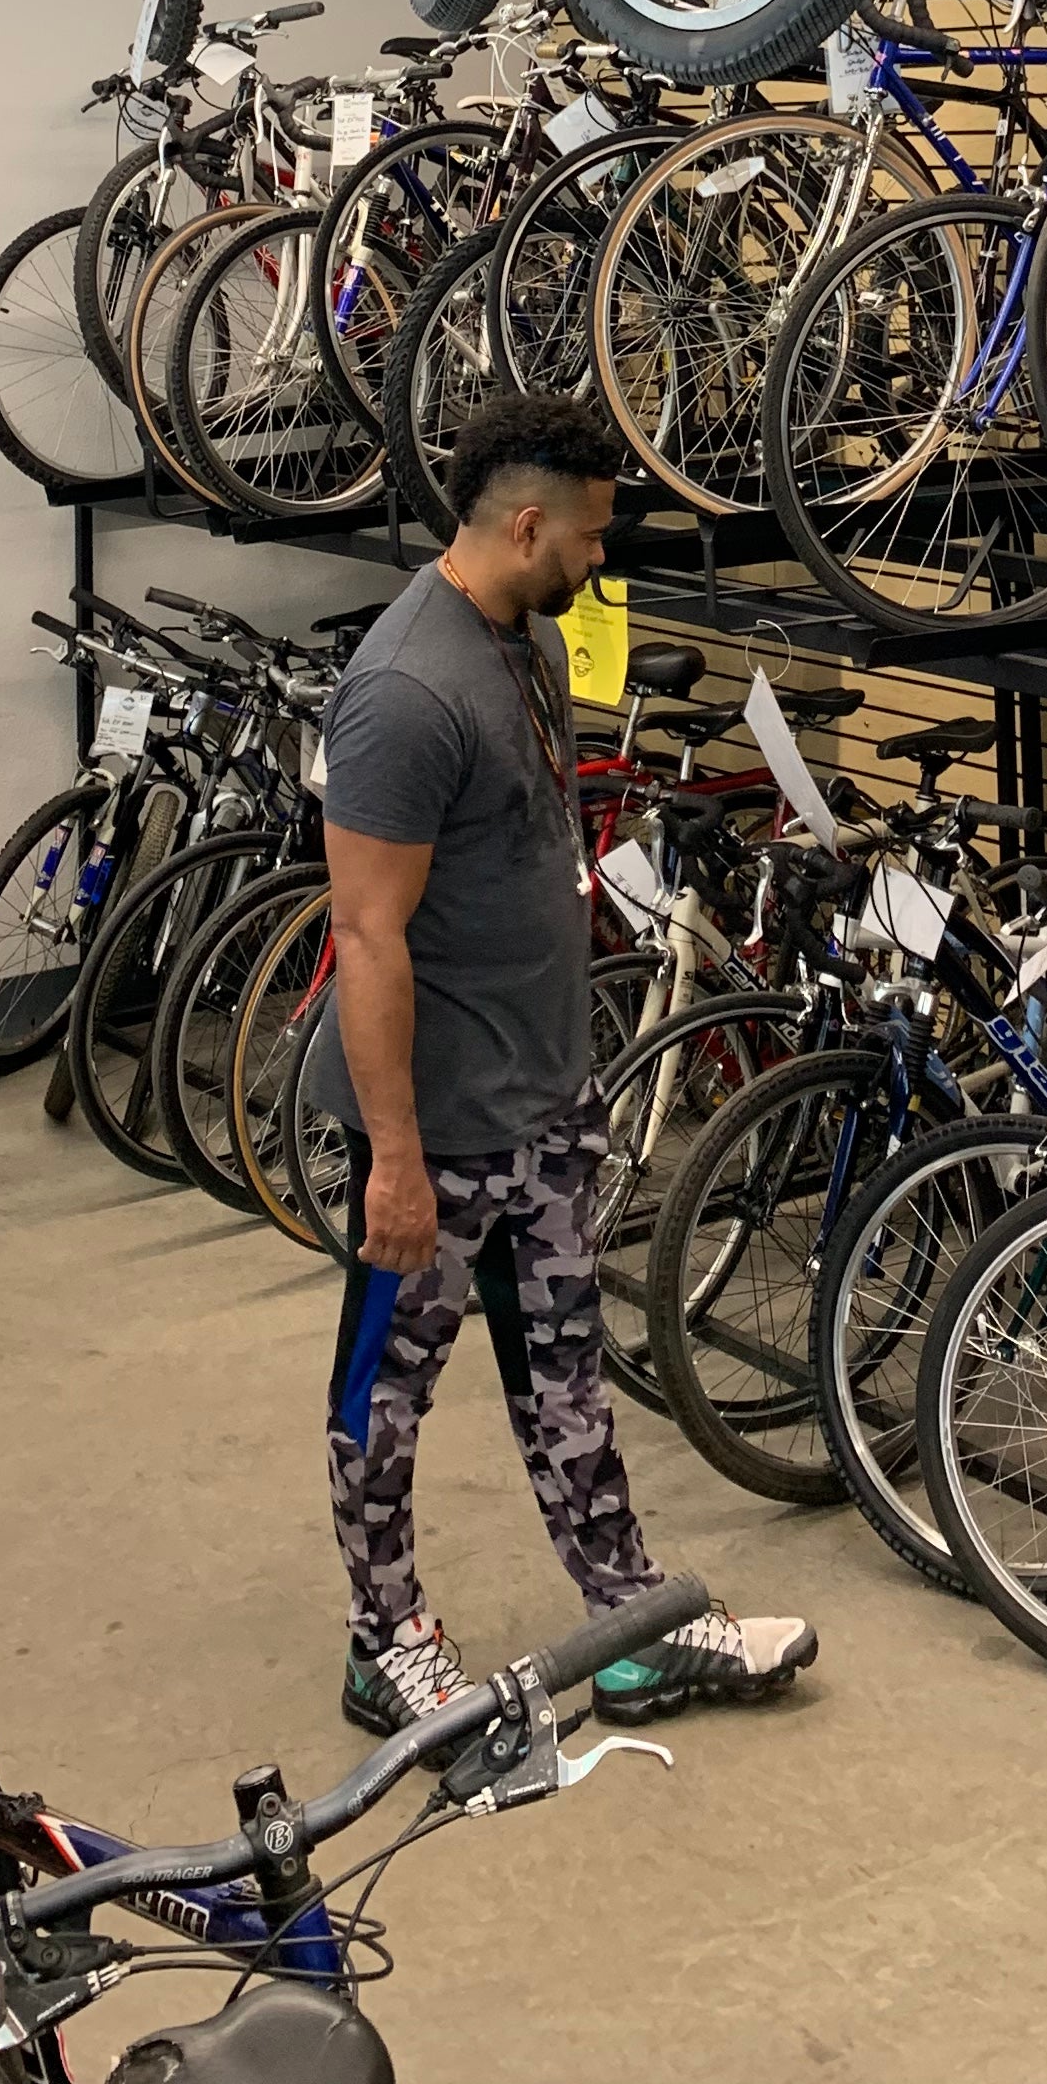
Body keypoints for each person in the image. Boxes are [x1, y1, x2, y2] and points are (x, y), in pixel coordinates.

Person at [318, 389, 818, 1738]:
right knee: (387, 1394)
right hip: (439, 1123)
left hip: (543, 1099)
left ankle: (635, 1626)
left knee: (567, 1375)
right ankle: (385, 1643)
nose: (603, 557)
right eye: (590, 534)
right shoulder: (403, 693)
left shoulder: (525, 645)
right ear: (524, 522)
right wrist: (399, 1163)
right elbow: (364, 936)